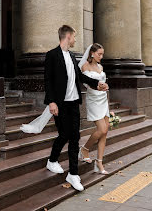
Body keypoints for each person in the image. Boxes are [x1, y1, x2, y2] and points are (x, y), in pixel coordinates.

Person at [44, 25, 108, 191]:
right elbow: (48, 80)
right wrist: (51, 102)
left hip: (73, 102)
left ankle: (73, 174)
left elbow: (80, 77)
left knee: (75, 137)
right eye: (74, 37)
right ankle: (52, 160)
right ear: (67, 37)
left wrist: (96, 84)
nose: (75, 40)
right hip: (60, 103)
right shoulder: (52, 55)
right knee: (64, 134)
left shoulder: (72, 56)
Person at [78, 43, 110, 174]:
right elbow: (86, 83)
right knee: (101, 129)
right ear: (92, 53)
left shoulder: (100, 66)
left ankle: (99, 163)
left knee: (105, 132)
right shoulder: (84, 66)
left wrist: (105, 87)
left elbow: (105, 84)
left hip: (103, 100)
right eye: (99, 54)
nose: (101, 57)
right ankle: (85, 149)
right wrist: (97, 86)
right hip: (93, 100)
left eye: (102, 54)